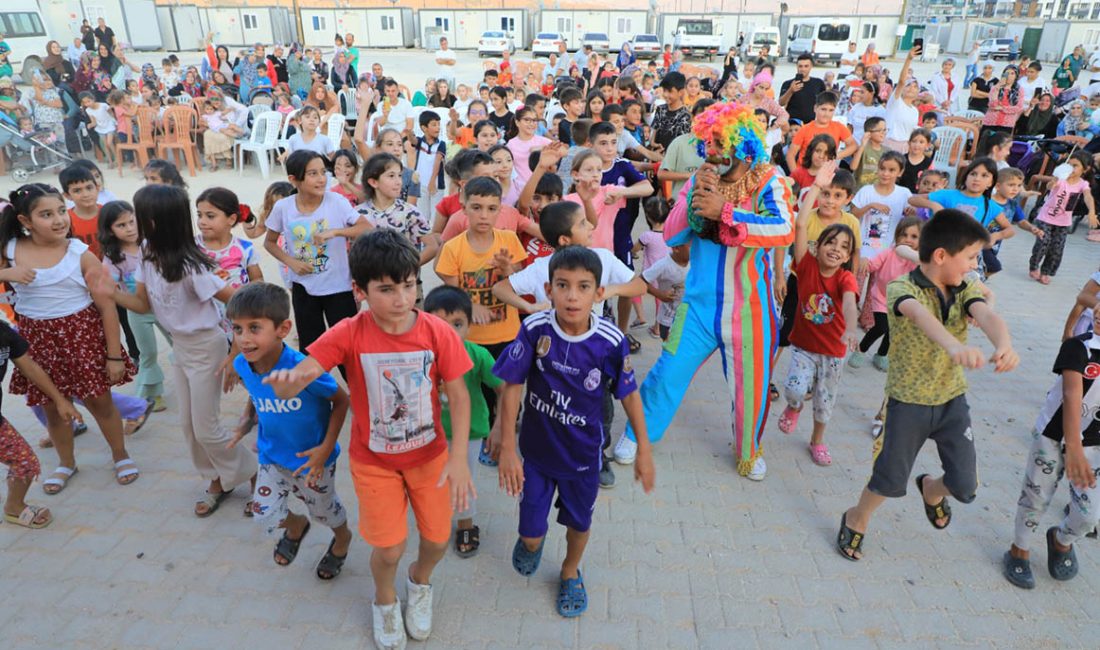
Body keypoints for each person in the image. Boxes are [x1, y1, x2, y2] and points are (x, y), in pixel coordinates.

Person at [263, 229, 474, 650]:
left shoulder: (436, 331)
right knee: (389, 548)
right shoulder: (348, 331)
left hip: (430, 458)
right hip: (374, 462)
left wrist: (460, 458)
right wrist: (287, 383)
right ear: (359, 290)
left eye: (410, 285)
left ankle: (420, 583)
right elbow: (306, 371)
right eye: (387, 289)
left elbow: (460, 395)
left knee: (436, 540)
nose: (401, 299)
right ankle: (385, 600)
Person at [612, 102, 796, 481]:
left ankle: (748, 451)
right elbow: (672, 234)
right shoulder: (701, 178)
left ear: (743, 144)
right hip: (695, 308)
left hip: (751, 312)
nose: (710, 151)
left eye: (718, 143)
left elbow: (783, 230)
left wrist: (726, 213)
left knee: (752, 390)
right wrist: (698, 198)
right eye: (707, 143)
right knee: (667, 373)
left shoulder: (769, 179)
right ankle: (637, 434)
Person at [836, 209, 1019, 561]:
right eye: (969, 258)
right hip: (907, 401)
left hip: (952, 399)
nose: (972, 266)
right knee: (888, 480)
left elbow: (987, 315)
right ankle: (857, 516)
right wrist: (953, 345)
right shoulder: (901, 288)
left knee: (965, 486)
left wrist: (1004, 345)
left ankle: (932, 490)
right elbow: (920, 317)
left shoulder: (964, 286)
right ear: (940, 256)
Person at [495, 245, 655, 618]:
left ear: (599, 293)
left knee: (579, 522)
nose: (571, 295)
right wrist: (506, 446)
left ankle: (569, 570)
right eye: (562, 285)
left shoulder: (610, 341)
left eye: (583, 286)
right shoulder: (535, 329)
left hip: (583, 460)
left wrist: (643, 448)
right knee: (530, 536)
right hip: (535, 455)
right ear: (548, 290)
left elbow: (629, 395)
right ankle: (533, 545)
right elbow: (512, 385)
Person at [109, 185, 256, 515]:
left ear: (158, 220)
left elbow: (238, 301)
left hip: (207, 348)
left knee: (207, 426)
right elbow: (142, 303)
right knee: (189, 427)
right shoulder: (147, 252)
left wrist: (236, 354)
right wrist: (110, 292)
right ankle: (216, 479)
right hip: (182, 349)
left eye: (140, 217)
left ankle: (254, 474)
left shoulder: (192, 264)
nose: (136, 225)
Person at [0, 183, 139, 494]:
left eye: (62, 211)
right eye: (46, 214)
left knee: (100, 403)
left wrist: (114, 355)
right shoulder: (9, 251)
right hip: (37, 343)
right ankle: (66, 462)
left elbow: (107, 308)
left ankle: (120, 454)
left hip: (82, 339)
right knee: (51, 408)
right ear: (25, 221)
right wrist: (4, 275)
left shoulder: (81, 254)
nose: (59, 219)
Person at [224, 282, 352, 579]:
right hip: (271, 455)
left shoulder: (303, 369)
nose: (244, 339)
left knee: (323, 512)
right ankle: (296, 526)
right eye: (237, 329)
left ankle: (342, 539)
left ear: (283, 328)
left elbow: (341, 401)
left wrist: (324, 450)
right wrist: (247, 419)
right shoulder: (244, 364)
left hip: (312, 461)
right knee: (263, 512)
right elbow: (256, 393)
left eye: (254, 328)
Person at [1004, 304, 1100, 589]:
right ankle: (1018, 549)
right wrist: (1074, 448)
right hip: (1054, 436)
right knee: (1035, 498)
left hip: (1094, 445)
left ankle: (1061, 541)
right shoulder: (1078, 347)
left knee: (1089, 515)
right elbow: (1072, 394)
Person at [777, 162, 860, 467]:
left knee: (825, 402)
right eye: (830, 243)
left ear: (848, 255)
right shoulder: (806, 265)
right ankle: (794, 408)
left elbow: (850, 302)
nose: (836, 249)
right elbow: (800, 225)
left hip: (834, 352)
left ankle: (818, 440)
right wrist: (816, 186)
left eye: (843, 246)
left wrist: (851, 327)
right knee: (793, 389)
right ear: (818, 246)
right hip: (803, 346)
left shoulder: (845, 278)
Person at [263, 151, 371, 351]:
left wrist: (336, 232)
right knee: (311, 348)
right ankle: (320, 383)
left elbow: (366, 227)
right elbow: (269, 243)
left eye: (323, 172)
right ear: (294, 180)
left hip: (339, 287)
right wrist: (291, 262)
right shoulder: (283, 208)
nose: (322, 179)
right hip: (304, 288)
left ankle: (353, 383)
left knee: (348, 348)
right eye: (313, 174)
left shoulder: (337, 201)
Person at [423, 286, 501, 558]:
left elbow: (504, 386)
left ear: (469, 326)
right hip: (429, 433)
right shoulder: (420, 357)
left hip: (468, 433)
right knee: (433, 479)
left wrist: (500, 424)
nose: (448, 333)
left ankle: (466, 523)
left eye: (457, 324)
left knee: (462, 479)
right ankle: (437, 517)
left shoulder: (477, 355)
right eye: (439, 325)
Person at [0, 318, 80, 528]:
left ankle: (14, 508)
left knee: (25, 464)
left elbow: (30, 367)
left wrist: (61, 400)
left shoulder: (5, 334)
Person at [98, 200, 171, 411]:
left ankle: (192, 382)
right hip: (137, 312)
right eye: (121, 225)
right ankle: (152, 395)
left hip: (164, 307)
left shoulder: (152, 245)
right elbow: (110, 288)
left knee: (181, 345)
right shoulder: (113, 258)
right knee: (147, 354)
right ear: (110, 230)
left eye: (132, 222)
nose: (130, 228)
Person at [849, 216, 922, 371]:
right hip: (882, 297)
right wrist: (864, 262)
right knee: (881, 327)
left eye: (914, 236)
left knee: (894, 330)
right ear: (897, 236)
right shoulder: (889, 252)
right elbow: (873, 265)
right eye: (904, 235)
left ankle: (882, 354)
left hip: (902, 301)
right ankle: (861, 349)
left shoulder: (917, 259)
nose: (908, 240)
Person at [1027, 152, 1097, 285]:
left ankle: (1046, 272)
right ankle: (1034, 266)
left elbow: (1088, 196)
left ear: (1085, 169)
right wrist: (1054, 181)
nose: (1071, 168)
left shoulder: (1082, 184)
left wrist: (1092, 211)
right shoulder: (1061, 178)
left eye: (1075, 166)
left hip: (1063, 222)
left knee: (1056, 249)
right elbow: (1049, 186)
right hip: (1046, 218)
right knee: (1043, 243)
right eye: (1069, 165)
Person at [780, 55, 827, 125]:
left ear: (811, 66)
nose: (803, 69)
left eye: (806, 66)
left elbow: (824, 103)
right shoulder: (788, 83)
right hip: (792, 125)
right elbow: (781, 103)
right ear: (797, 66)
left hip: (811, 124)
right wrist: (791, 90)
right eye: (800, 66)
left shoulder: (818, 83)